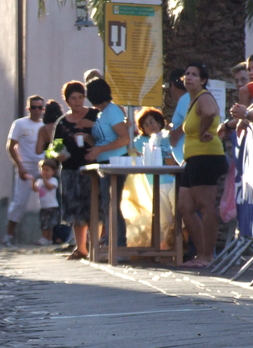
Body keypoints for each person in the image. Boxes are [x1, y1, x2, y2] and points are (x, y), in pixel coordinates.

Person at [177, 62, 228, 268]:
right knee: (185, 206)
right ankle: (201, 253)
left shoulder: (204, 97)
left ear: (203, 80)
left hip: (206, 156)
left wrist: (202, 132)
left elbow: (210, 112)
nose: (189, 77)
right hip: (193, 158)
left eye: (194, 75)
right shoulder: (190, 100)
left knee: (206, 206)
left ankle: (208, 256)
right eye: (187, 74)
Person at [53, 81, 99, 260]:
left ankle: (95, 246)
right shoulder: (62, 122)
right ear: (67, 100)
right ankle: (81, 248)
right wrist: (58, 155)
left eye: (81, 97)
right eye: (73, 98)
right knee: (75, 210)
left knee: (95, 208)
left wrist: (88, 138)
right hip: (70, 170)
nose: (78, 101)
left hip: (92, 168)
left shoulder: (95, 116)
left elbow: (104, 140)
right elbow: (54, 146)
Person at [85, 77, 130, 247]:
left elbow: (124, 138)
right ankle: (111, 239)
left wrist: (99, 150)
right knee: (106, 203)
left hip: (116, 161)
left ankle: (119, 242)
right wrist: (89, 141)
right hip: (104, 162)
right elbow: (103, 139)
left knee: (112, 203)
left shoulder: (113, 112)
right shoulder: (101, 114)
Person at [3, 95, 46, 246]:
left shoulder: (45, 125)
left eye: (39, 107)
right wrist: (19, 165)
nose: (36, 111)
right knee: (20, 202)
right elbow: (11, 145)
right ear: (28, 109)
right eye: (33, 107)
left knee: (47, 202)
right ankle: (9, 234)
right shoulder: (20, 124)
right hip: (26, 167)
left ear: (43, 109)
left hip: (43, 168)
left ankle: (46, 236)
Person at [133, 107, 177, 248]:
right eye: (146, 125)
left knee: (180, 213)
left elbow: (175, 160)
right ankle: (165, 248)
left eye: (152, 122)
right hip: (153, 183)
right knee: (164, 218)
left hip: (172, 180)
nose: (150, 126)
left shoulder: (168, 138)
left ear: (159, 122)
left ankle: (182, 247)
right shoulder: (139, 141)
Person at [31, 158, 59, 246]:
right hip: (43, 206)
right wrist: (32, 182)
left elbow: (49, 187)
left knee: (50, 224)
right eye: (43, 169)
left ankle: (49, 239)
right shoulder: (39, 181)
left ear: (53, 172)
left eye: (47, 170)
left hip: (52, 206)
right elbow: (35, 189)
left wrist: (44, 179)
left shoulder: (54, 180)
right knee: (44, 223)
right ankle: (44, 238)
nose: (44, 172)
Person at [167, 68, 189, 164]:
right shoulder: (187, 98)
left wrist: (175, 135)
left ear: (172, 85)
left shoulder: (185, 99)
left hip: (189, 158)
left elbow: (192, 119)